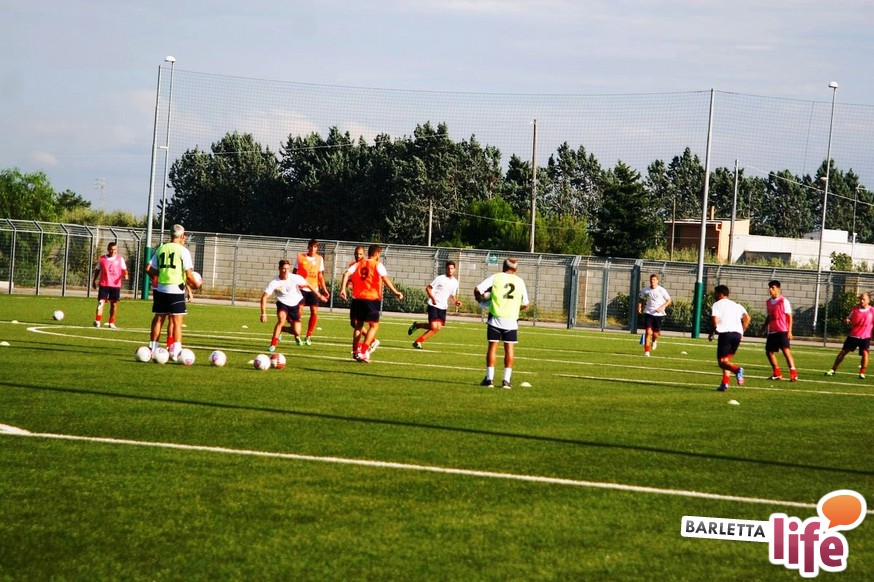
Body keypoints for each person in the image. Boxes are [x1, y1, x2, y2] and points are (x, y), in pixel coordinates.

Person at [339, 244, 404, 363]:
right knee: (374, 326)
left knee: (358, 326)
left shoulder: (358, 264)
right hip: (371, 299)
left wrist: (343, 289)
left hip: (357, 298)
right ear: (377, 254)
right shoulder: (377, 265)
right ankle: (364, 351)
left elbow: (346, 274)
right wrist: (396, 292)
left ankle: (356, 351)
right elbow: (385, 279)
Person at [145, 224, 201, 359]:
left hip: (161, 289)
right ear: (181, 236)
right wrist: (196, 285)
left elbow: (148, 268)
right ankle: (176, 352)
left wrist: (158, 277)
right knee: (177, 322)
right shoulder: (183, 251)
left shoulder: (161, 248)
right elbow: (188, 275)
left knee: (158, 319)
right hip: (176, 290)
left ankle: (152, 349)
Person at [474, 258, 529, 389]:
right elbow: (526, 304)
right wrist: (515, 308)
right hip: (511, 320)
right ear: (516, 269)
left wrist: (481, 300)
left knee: (492, 347)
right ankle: (506, 381)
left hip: (495, 318)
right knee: (509, 348)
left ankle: (489, 379)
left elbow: (477, 289)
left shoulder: (496, 277)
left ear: (503, 267)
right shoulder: (520, 281)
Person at [260, 259, 324, 352]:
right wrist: (263, 313)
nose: (285, 271)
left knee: (297, 331)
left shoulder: (294, 277)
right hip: (282, 303)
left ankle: (283, 329)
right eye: (283, 269)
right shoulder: (274, 282)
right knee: (281, 319)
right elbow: (264, 297)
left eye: (287, 269)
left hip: (295, 304)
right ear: (279, 268)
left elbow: (309, 285)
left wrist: (320, 296)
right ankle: (273, 344)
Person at [408, 261, 462, 349]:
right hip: (433, 305)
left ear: (454, 269)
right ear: (445, 269)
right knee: (434, 327)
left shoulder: (455, 282)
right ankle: (418, 342)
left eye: (452, 268)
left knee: (436, 328)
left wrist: (456, 301)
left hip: (443, 307)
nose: (450, 270)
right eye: (448, 268)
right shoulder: (440, 278)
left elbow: (452, 295)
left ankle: (417, 326)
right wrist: (433, 298)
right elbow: (428, 288)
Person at [707, 284, 750, 392]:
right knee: (727, 360)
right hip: (737, 334)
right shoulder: (736, 305)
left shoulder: (717, 305)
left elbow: (715, 322)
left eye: (715, 293)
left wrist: (711, 333)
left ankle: (737, 370)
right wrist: (742, 332)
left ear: (720, 294)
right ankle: (724, 384)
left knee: (722, 362)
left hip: (726, 334)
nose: (714, 295)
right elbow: (747, 318)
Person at [825, 292, 874, 379]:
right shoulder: (855, 309)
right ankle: (833, 369)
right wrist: (847, 320)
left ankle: (862, 373)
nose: (861, 301)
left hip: (865, 337)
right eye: (860, 299)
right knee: (843, 352)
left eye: (863, 299)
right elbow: (848, 318)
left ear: (868, 300)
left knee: (865, 353)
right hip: (853, 335)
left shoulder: (872, 311)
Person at [293, 239, 331, 346]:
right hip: (301, 288)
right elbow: (294, 272)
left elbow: (320, 275)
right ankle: (297, 334)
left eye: (315, 247)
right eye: (311, 246)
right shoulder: (300, 257)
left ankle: (309, 336)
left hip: (314, 289)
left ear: (317, 248)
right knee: (299, 311)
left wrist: (324, 289)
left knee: (314, 312)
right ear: (308, 247)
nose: (313, 249)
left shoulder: (319, 259)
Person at [760, 280, 798, 381]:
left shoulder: (783, 301)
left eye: (773, 288)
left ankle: (793, 373)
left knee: (786, 351)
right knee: (769, 352)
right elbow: (769, 316)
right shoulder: (768, 302)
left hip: (782, 330)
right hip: (772, 331)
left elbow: (789, 317)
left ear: (778, 289)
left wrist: (789, 331)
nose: (770, 289)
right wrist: (763, 328)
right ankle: (777, 373)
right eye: (769, 288)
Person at [92, 241, 129, 329]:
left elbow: (124, 270)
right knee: (101, 302)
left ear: (117, 250)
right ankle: (97, 321)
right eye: (111, 249)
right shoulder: (102, 259)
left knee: (114, 304)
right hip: (104, 284)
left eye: (115, 249)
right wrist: (94, 280)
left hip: (115, 285)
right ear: (108, 249)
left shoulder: (120, 259)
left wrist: (126, 274)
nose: (113, 251)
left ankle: (111, 322)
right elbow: (97, 270)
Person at [638, 273, 671, 357]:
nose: (652, 281)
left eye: (654, 280)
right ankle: (647, 351)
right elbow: (641, 299)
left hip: (658, 314)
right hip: (648, 313)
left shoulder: (661, 290)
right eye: (651, 280)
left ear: (657, 281)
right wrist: (639, 307)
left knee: (656, 333)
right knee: (648, 332)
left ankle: (654, 340)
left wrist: (662, 307)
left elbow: (669, 300)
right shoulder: (646, 289)